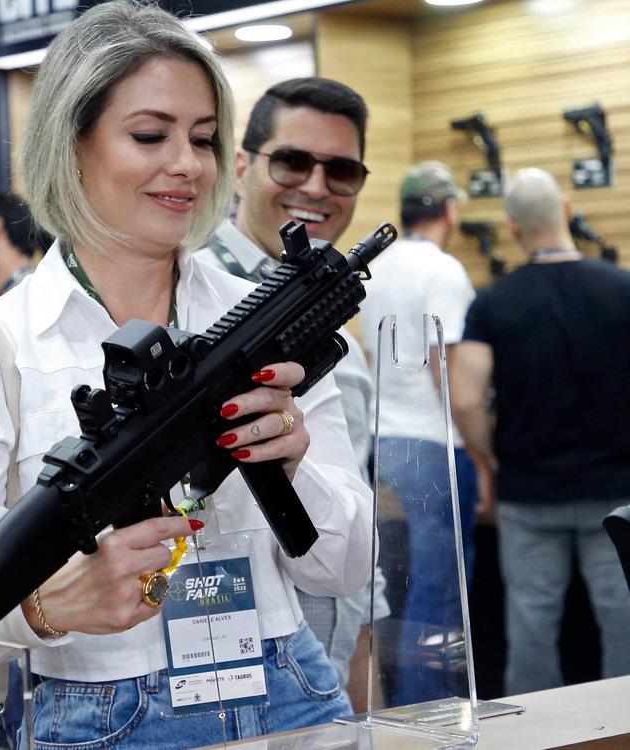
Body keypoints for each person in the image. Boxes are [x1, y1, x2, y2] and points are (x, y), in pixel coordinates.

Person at [0, 4, 372, 747]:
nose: (186, 164)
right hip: (100, 715)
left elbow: (345, 569)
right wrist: (50, 606)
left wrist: (294, 458)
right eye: (150, 135)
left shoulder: (267, 320)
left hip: (289, 689)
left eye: (205, 139)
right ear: (72, 142)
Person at [193, 76, 388, 710]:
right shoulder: (186, 294)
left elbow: (353, 549)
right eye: (293, 161)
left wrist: (362, 714)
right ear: (243, 165)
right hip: (230, 685)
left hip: (318, 684)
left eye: (341, 171)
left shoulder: (331, 318)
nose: (315, 187)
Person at [450, 168, 630, 696]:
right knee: (624, 619)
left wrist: (487, 460)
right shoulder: (623, 289)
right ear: (568, 209)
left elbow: (464, 398)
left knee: (530, 625)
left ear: (511, 227)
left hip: (528, 492)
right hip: (617, 494)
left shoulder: (493, 302)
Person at [357, 161, 477, 704]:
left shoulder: (381, 265)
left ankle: (401, 700)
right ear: (449, 211)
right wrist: (482, 453)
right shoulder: (445, 270)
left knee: (394, 588)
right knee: (440, 586)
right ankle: (433, 709)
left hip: (384, 444)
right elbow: (443, 367)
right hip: (433, 442)